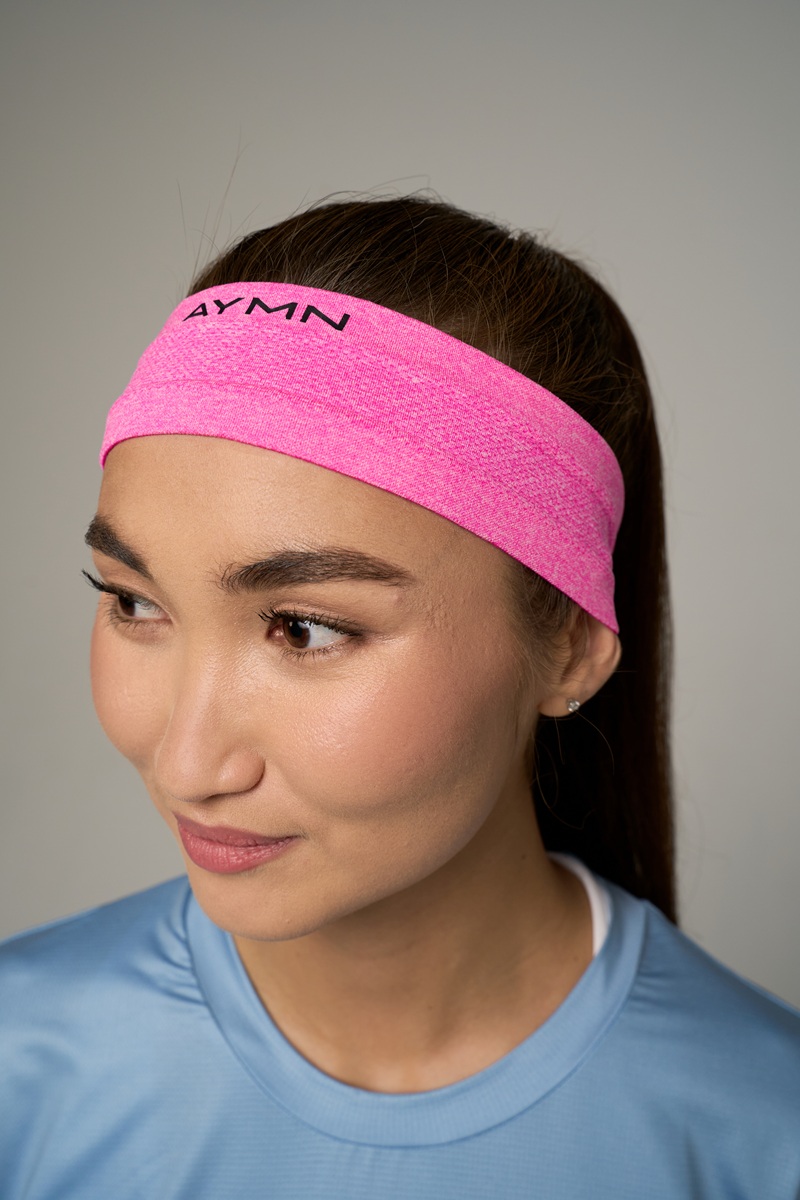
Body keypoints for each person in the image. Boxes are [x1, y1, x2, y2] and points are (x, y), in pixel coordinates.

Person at [1, 196, 798, 1199]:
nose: (187, 762)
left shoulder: (764, 1137)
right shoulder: (20, 1066)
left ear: (567, 649)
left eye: (304, 629)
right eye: (133, 602)